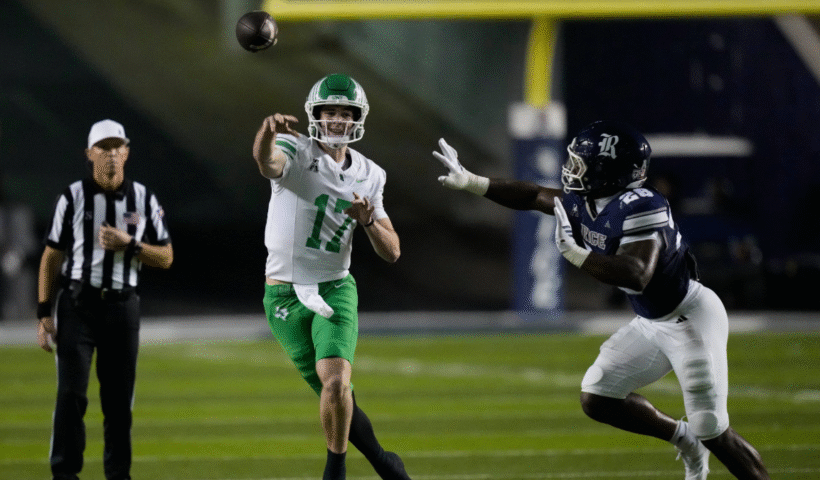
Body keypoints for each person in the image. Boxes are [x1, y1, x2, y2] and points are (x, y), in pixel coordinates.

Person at [433, 120, 769, 480]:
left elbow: (636, 274)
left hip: (689, 319)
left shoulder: (642, 205)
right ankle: (683, 439)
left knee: (712, 428)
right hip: (652, 321)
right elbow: (531, 195)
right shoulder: (585, 201)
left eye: (581, 163)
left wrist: (576, 254)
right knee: (598, 397)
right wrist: (471, 181)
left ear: (608, 172)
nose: (571, 169)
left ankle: (710, 445)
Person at [252, 73, 411, 480]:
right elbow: (266, 162)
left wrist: (369, 220)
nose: (338, 120)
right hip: (284, 295)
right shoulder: (295, 149)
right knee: (335, 394)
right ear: (315, 115)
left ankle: (335, 471)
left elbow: (392, 251)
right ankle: (382, 461)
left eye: (345, 113)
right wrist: (267, 133)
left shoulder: (371, 174)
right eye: (330, 112)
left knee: (337, 382)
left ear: (357, 118)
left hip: (336, 287)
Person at [37, 119, 173, 480]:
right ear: (89, 154)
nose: (111, 156)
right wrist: (43, 313)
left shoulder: (143, 197)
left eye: (117, 148)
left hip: (123, 307)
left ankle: (118, 475)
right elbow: (51, 256)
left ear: (126, 152)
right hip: (77, 305)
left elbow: (166, 256)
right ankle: (65, 474)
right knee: (70, 396)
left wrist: (129, 244)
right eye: (103, 148)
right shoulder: (72, 197)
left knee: (118, 404)